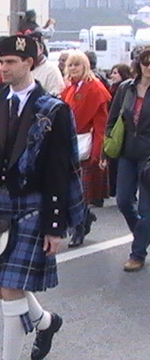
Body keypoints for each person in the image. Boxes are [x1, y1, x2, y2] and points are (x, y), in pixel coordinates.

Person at [0, 34, 84, 360]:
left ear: (29, 62)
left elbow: (59, 170)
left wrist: (54, 226)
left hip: (32, 206)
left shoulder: (53, 110)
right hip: (1, 205)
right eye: (1, 62)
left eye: (11, 62)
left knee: (11, 288)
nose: (4, 67)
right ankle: (44, 323)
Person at [105, 47, 150, 272]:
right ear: (139, 64)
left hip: (148, 155)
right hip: (126, 152)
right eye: (146, 62)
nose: (149, 67)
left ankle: (137, 253)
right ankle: (143, 234)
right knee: (123, 200)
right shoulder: (126, 88)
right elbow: (112, 120)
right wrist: (107, 148)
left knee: (146, 208)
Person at [60, 51, 110, 247]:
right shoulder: (70, 88)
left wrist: (98, 152)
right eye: (70, 65)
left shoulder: (95, 89)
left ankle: (78, 228)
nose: (73, 69)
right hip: (70, 144)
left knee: (81, 192)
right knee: (71, 191)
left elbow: (101, 124)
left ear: (85, 67)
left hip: (85, 145)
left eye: (77, 65)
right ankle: (84, 219)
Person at [106, 63, 133, 198]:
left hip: (142, 145)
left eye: (115, 73)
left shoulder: (123, 88)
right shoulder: (122, 88)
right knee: (124, 201)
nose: (112, 76)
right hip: (123, 140)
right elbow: (112, 116)